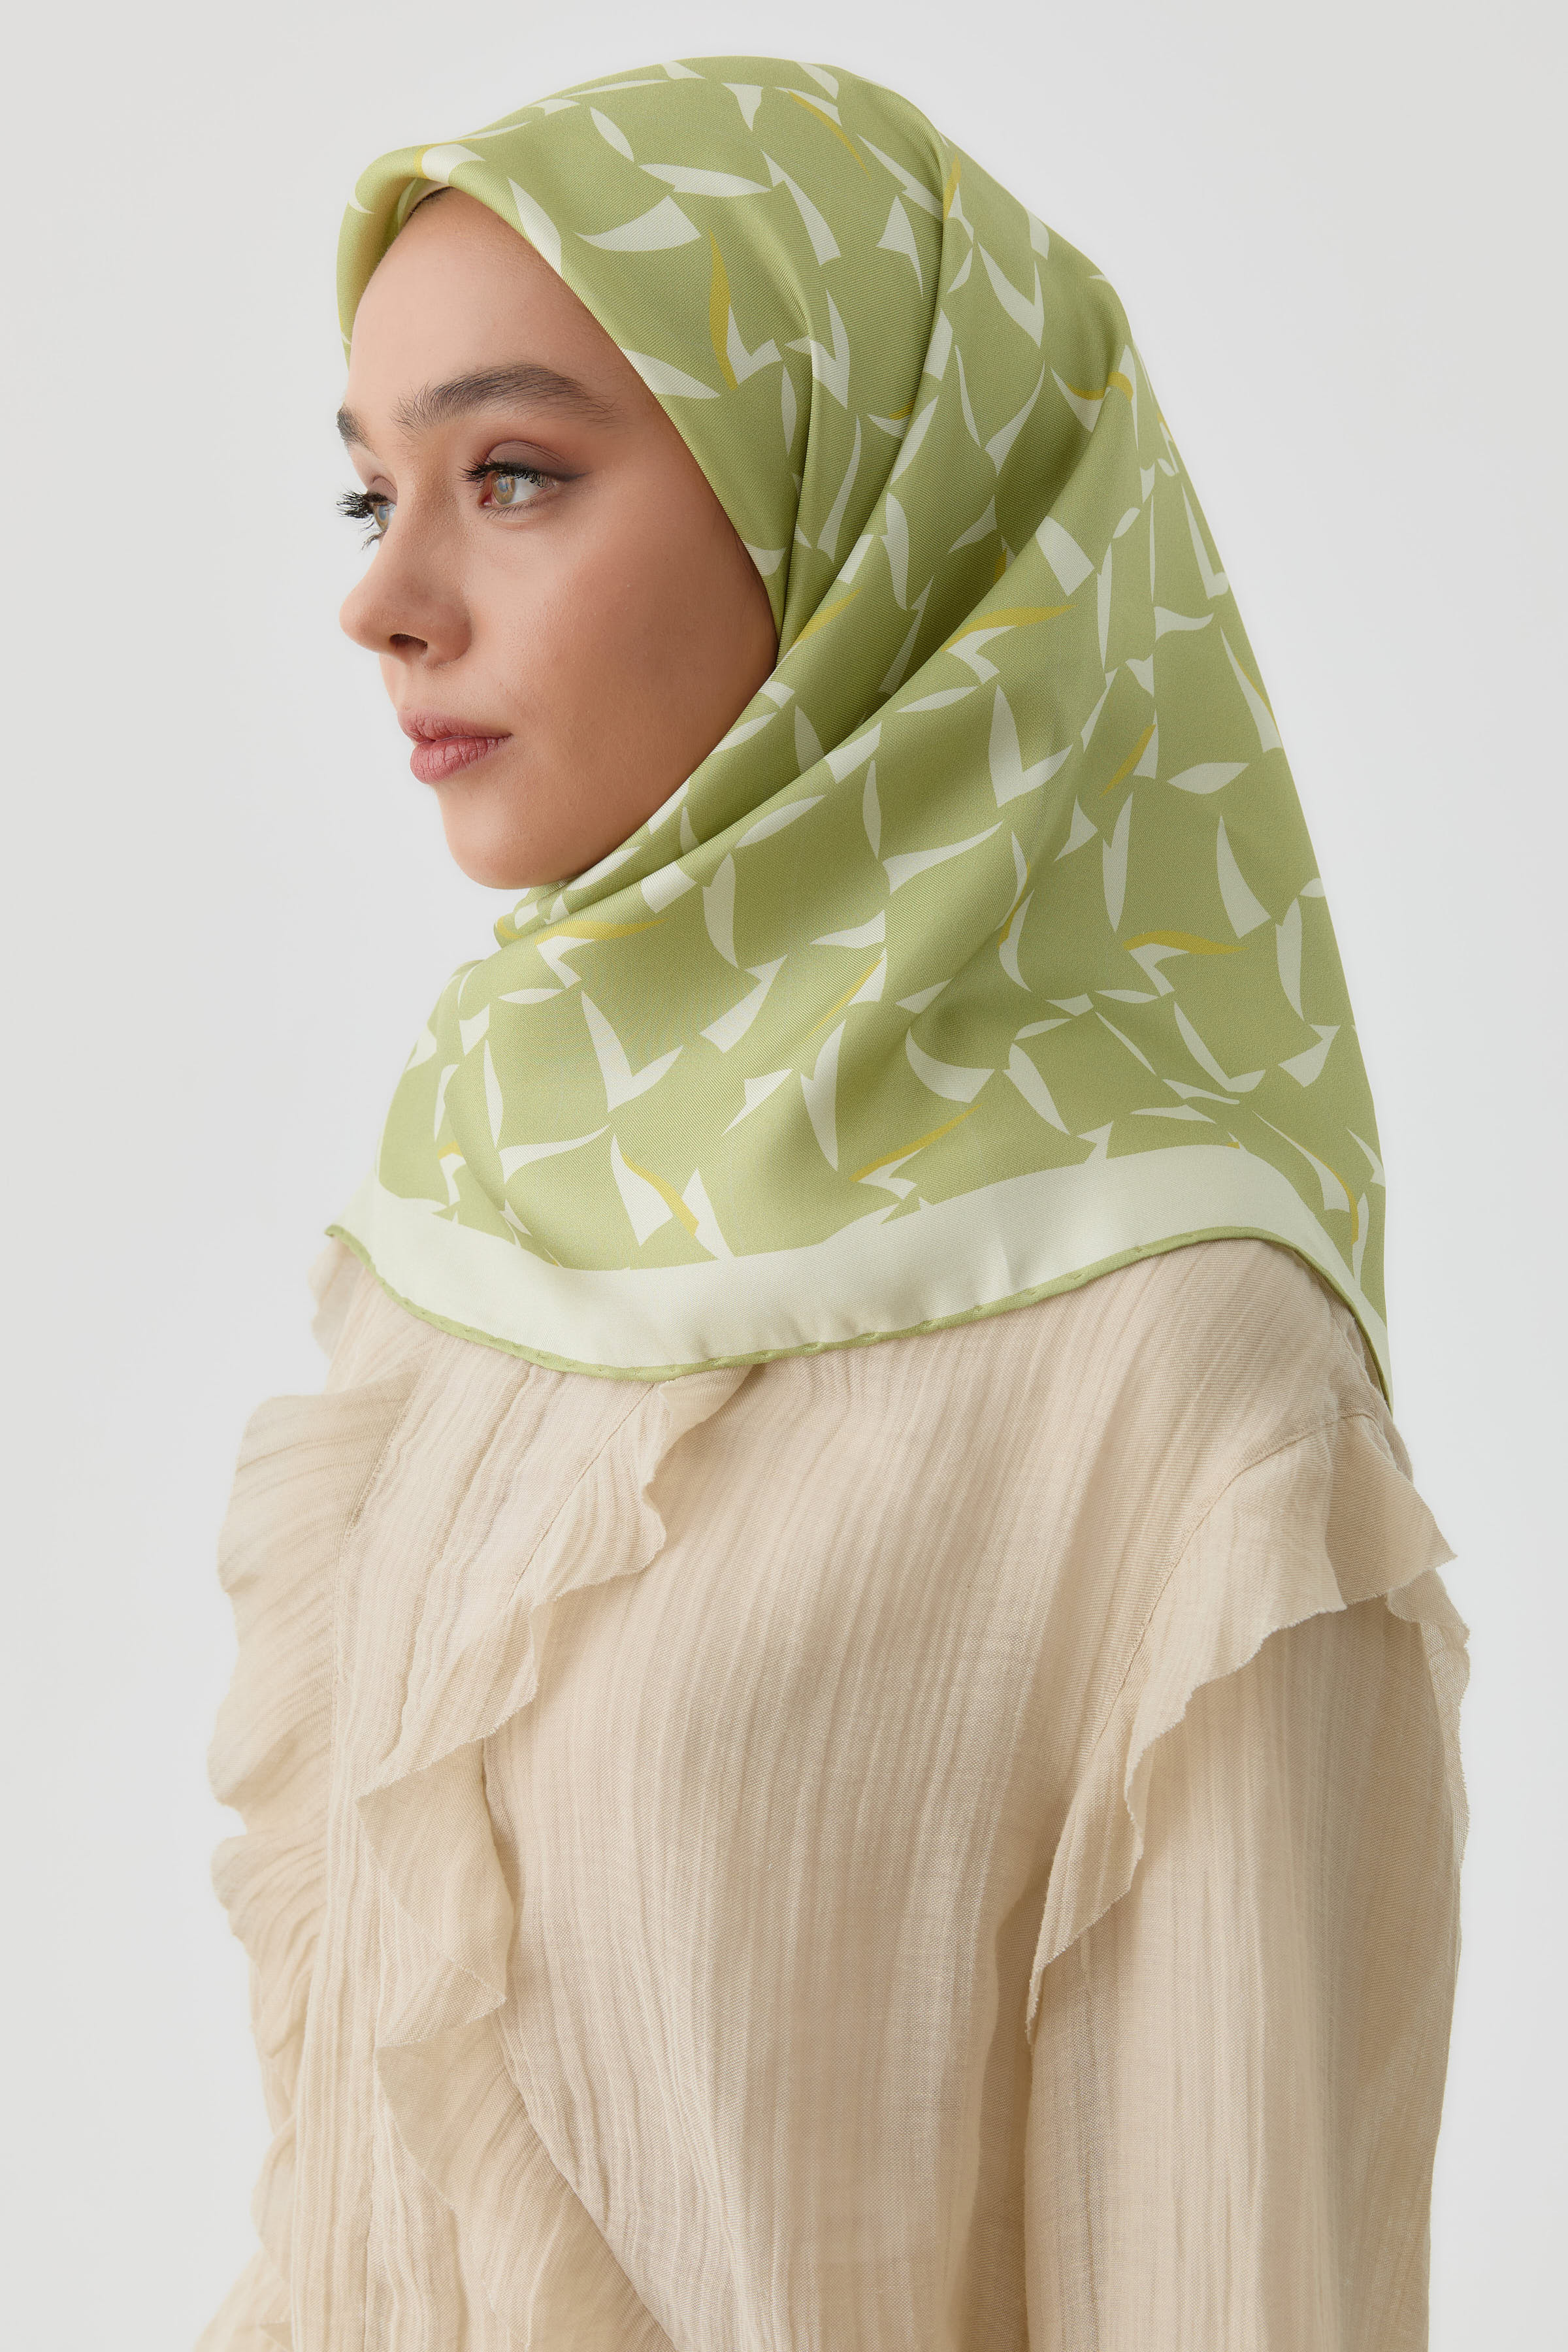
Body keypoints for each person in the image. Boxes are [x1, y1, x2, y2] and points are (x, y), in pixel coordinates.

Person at [200, 56, 1469, 2352]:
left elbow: (1230, 2276)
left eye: (512, 475)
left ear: (867, 504)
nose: (384, 598)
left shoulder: (1177, 1377)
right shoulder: (485, 1215)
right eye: (372, 491)